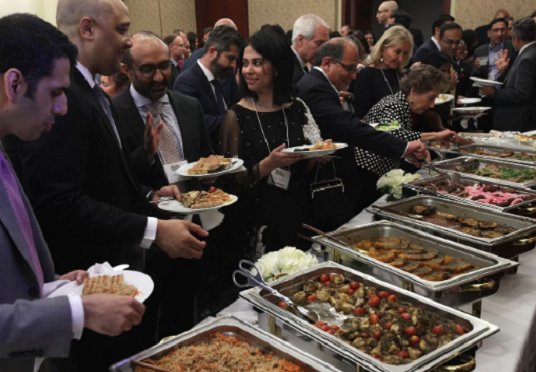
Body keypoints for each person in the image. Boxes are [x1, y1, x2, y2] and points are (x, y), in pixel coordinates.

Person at [0, 13, 147, 372]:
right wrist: (78, 313)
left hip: (26, 370)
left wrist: (48, 288)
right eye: (55, 92)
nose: (64, 107)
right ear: (14, 83)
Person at [5, 1, 209, 372]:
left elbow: (97, 176)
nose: (128, 40)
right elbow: (59, 201)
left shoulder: (88, 89)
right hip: (91, 283)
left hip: (115, 274)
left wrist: (145, 179)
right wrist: (153, 229)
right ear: (87, 29)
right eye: (122, 29)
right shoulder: (64, 98)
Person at [114, 31, 213, 340]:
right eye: (148, 69)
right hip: (146, 239)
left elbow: (206, 161)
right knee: (143, 329)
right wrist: (144, 154)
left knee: (184, 317)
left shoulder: (188, 106)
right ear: (127, 70)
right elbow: (116, 179)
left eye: (165, 66)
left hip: (194, 227)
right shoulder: (114, 114)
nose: (159, 77)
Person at [297, 38, 427, 226]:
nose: (354, 76)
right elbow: (348, 126)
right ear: (327, 63)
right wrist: (403, 146)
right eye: (349, 69)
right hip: (326, 185)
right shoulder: (315, 87)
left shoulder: (319, 85)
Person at [219, 28, 320, 262]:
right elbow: (230, 184)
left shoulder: (297, 108)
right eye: (245, 63)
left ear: (276, 68)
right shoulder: (236, 116)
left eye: (257, 63)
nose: (248, 70)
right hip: (257, 216)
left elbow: (305, 168)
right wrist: (268, 164)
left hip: (297, 209)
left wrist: (315, 156)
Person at [358, 65, 455, 211]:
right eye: (431, 98)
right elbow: (394, 135)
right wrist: (436, 136)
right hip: (366, 174)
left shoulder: (403, 105)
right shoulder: (391, 105)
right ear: (413, 91)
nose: (432, 105)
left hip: (379, 172)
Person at [173, 25, 243, 149]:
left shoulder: (219, 76)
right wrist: (235, 120)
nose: (234, 65)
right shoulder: (186, 82)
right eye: (230, 58)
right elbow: (197, 122)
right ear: (212, 52)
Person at [481, 18, 536, 132]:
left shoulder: (527, 59)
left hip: (520, 121)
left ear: (516, 39)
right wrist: (504, 72)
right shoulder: (530, 53)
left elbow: (521, 94)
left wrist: (494, 92)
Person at [353, 26, 413, 119]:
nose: (400, 58)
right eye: (397, 52)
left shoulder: (401, 74)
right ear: (383, 47)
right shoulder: (366, 75)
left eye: (405, 53)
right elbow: (361, 114)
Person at [472, 18, 517, 83]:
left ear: (507, 32)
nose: (499, 34)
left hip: (504, 89)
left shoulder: (513, 48)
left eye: (502, 30)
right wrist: (477, 69)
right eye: (496, 30)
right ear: (489, 33)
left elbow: (517, 74)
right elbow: (474, 75)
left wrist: (504, 70)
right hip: (484, 89)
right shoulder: (480, 51)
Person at [291, 14, 330, 84]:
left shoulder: (300, 65)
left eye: (325, 44)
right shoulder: (289, 69)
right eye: (319, 43)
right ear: (300, 40)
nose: (323, 50)